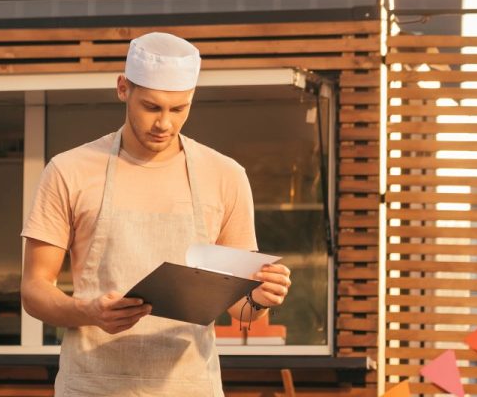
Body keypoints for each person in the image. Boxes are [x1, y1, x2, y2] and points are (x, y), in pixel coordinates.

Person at [20, 32, 293, 396]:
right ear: (123, 89)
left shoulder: (226, 176)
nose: (164, 123)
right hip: (93, 386)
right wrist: (89, 312)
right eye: (151, 107)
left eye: (179, 109)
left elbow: (240, 311)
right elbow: (34, 289)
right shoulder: (69, 170)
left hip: (189, 386)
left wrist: (259, 299)